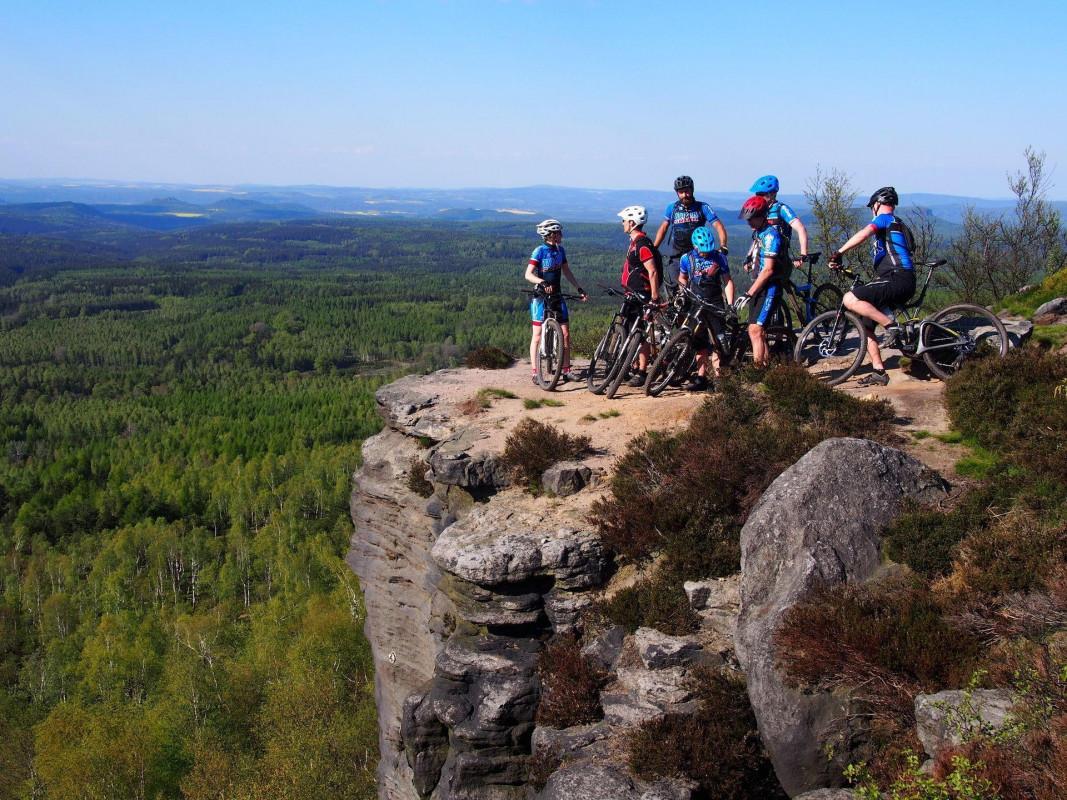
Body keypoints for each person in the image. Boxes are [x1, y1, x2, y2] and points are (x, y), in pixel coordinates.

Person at [827, 186, 915, 387]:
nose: (871, 211)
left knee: (849, 299)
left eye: (871, 207)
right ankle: (879, 371)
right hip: (895, 278)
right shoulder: (895, 225)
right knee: (864, 323)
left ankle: (893, 327)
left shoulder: (885, 219)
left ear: (878, 205)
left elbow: (863, 234)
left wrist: (839, 252)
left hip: (898, 278)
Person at [525, 219, 587, 385]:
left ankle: (566, 370)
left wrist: (578, 288)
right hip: (541, 298)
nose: (561, 235)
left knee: (566, 334)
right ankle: (535, 372)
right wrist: (542, 282)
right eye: (559, 232)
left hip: (557, 296)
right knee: (537, 336)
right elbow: (528, 274)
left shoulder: (561, 251)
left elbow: (566, 271)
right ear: (551, 234)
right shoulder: (539, 251)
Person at [732, 195, 789, 367]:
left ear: (761, 216)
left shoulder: (771, 236)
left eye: (751, 218)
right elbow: (755, 254)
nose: (748, 222)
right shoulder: (758, 232)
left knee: (755, 330)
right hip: (759, 286)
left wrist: (749, 293)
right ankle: (764, 366)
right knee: (757, 330)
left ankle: (758, 370)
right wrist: (748, 262)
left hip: (769, 287)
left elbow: (768, 269)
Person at [678, 226, 735, 390]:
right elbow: (682, 277)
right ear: (695, 246)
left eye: (708, 250)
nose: (706, 253)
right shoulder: (686, 258)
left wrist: (730, 305)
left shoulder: (719, 257)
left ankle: (719, 378)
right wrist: (682, 292)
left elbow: (728, 282)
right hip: (695, 302)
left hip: (714, 301)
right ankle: (701, 378)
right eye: (703, 250)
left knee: (718, 339)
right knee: (698, 341)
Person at [653, 176, 728, 291]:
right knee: (675, 287)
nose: (684, 195)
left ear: (692, 190)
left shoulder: (702, 207)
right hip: (676, 254)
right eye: (681, 192)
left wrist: (723, 245)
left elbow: (718, 225)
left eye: (687, 191)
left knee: (698, 287)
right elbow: (663, 228)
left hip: (697, 253)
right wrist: (654, 248)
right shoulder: (672, 208)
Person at [618, 205, 662, 387]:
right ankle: (633, 367)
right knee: (628, 330)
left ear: (632, 222)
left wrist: (654, 297)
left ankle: (642, 372)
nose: (622, 224)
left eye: (624, 221)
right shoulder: (635, 242)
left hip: (641, 295)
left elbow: (652, 272)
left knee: (640, 334)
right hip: (632, 293)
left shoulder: (642, 244)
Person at [749, 175, 810, 269]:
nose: (757, 197)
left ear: (772, 194)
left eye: (761, 194)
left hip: (778, 259)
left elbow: (800, 228)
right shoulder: (760, 211)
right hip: (761, 259)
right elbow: (757, 236)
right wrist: (749, 257)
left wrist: (803, 254)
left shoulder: (781, 209)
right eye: (757, 194)